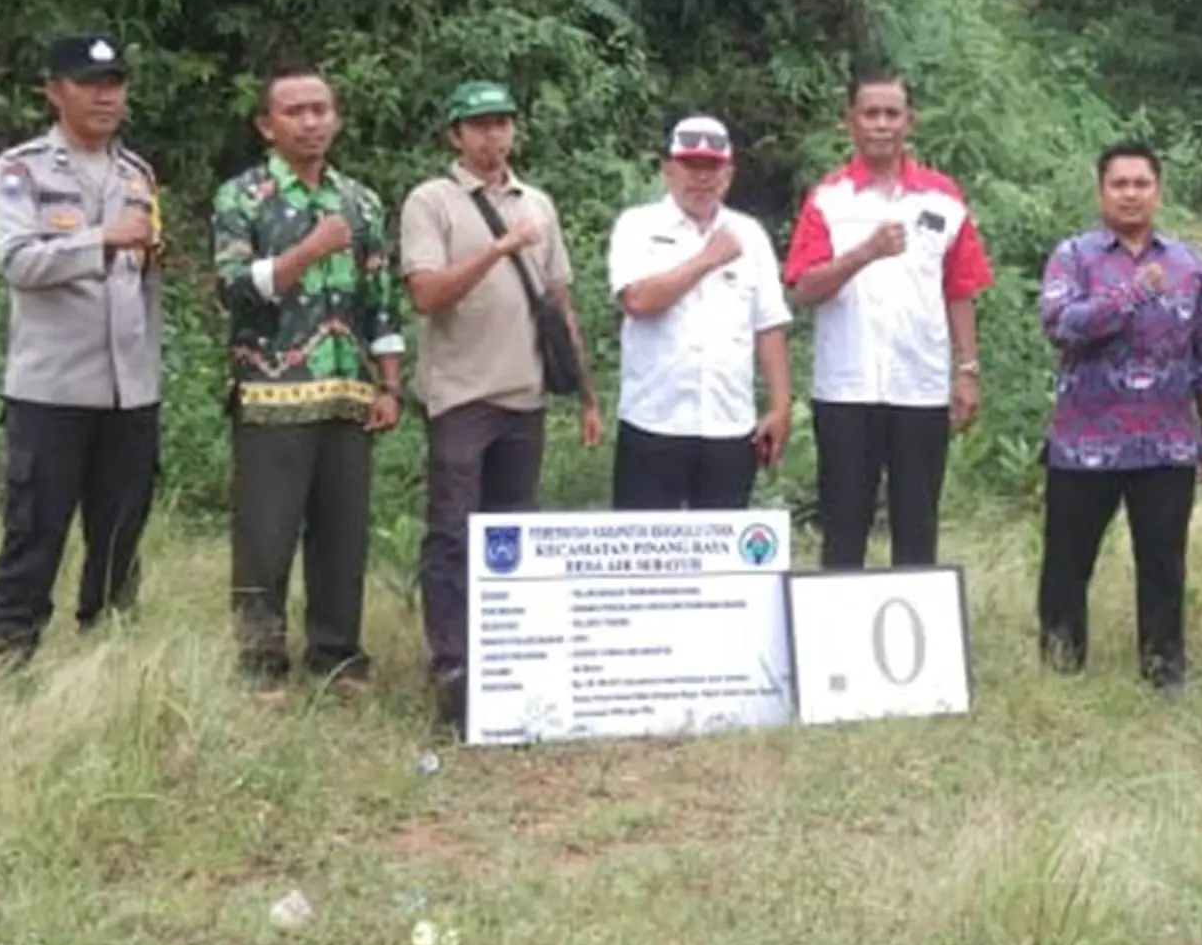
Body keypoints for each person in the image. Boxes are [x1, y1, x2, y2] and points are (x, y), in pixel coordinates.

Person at [399, 79, 601, 727]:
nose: (492, 135)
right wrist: (498, 248)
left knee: (512, 533)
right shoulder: (432, 201)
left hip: (526, 394)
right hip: (461, 394)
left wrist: (587, 394)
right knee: (453, 533)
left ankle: (508, 658)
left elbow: (559, 301)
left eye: (501, 123)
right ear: (455, 135)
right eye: (478, 124)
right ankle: (451, 665)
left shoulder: (536, 201)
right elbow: (427, 295)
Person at [210, 64, 403, 697]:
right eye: (295, 111)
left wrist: (391, 385)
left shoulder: (361, 201)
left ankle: (337, 656)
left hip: (349, 392)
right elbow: (234, 289)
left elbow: (381, 302)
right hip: (270, 393)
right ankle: (261, 663)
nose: (312, 121)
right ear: (267, 125)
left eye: (321, 109)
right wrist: (309, 251)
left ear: (337, 118)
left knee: (342, 534)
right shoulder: (243, 197)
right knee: (266, 535)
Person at [0, 31, 164, 669]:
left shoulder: (137, 173)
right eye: (89, 84)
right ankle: (10, 654)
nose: (105, 97)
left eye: (114, 84)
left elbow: (148, 280)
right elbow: (21, 262)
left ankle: (107, 657)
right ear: (54, 91)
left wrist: (150, 371)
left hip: (129, 388)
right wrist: (102, 239)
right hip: (52, 388)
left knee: (119, 533)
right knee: (36, 529)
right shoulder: (21, 169)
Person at [1036, 142, 1202, 693]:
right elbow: (1060, 325)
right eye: (1119, 184)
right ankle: (1060, 662)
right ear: (1101, 192)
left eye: (1141, 184)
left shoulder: (1188, 263)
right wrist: (1127, 295)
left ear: (1158, 191)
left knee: (1163, 562)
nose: (1130, 194)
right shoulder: (1073, 257)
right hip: (1084, 442)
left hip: (1166, 443)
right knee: (1067, 562)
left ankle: (1163, 667)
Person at [781, 65, 995, 568]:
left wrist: (967, 371)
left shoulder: (943, 197)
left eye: (891, 113)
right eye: (870, 113)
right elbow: (802, 288)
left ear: (909, 121)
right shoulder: (828, 198)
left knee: (917, 527)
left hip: (918, 387)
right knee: (844, 527)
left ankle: (913, 640)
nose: (881, 124)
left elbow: (960, 287)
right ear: (850, 122)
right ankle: (838, 635)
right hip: (846, 389)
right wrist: (864, 253)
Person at [606, 115, 795, 508]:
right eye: (691, 167)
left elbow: (769, 326)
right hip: (653, 422)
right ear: (668, 170)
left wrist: (780, 407)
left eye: (712, 168)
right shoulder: (637, 226)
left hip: (728, 424)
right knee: (645, 556)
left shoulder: (751, 234)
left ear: (728, 174)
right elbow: (638, 301)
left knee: (722, 558)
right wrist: (707, 259)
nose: (701, 179)